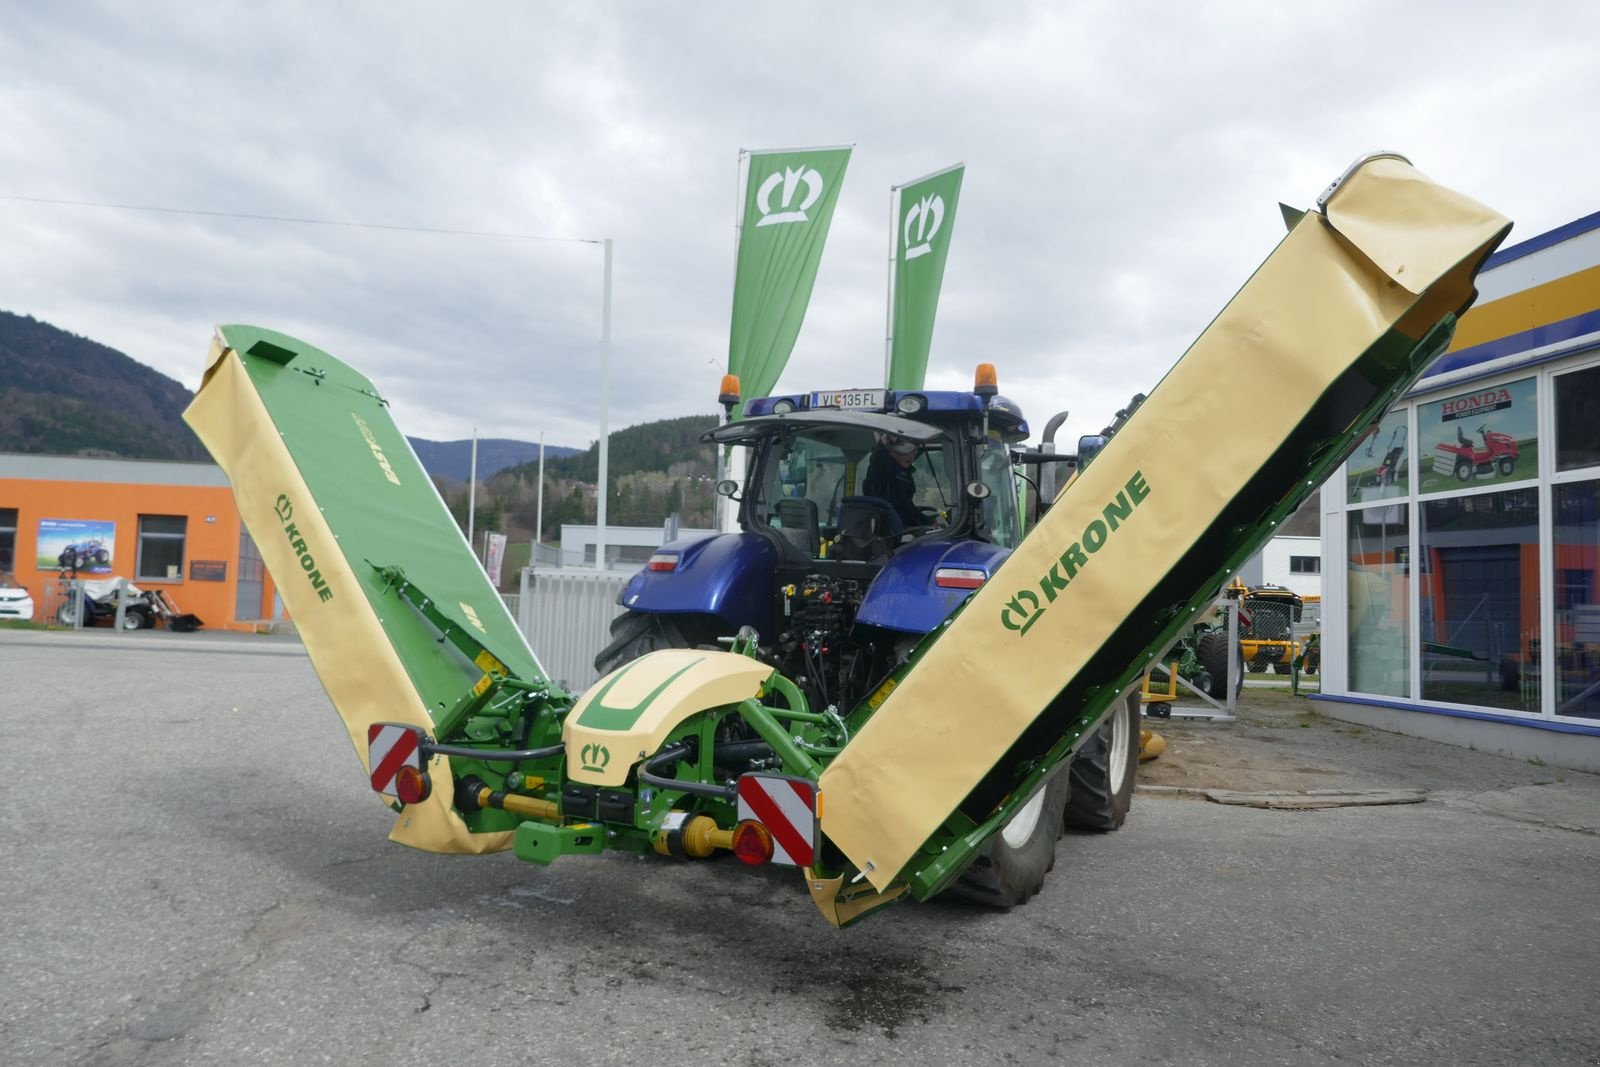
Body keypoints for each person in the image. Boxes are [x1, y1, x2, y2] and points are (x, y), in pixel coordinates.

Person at [862, 433, 925, 529]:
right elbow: (877, 459)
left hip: (899, 527)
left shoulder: (905, 474)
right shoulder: (883, 468)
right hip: (884, 532)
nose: (912, 456)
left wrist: (929, 522)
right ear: (894, 448)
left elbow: (907, 507)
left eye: (915, 451)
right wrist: (882, 443)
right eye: (909, 449)